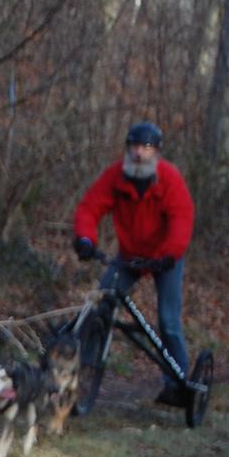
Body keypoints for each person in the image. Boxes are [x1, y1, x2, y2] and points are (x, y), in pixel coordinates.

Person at [72, 121, 195, 407]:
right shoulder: (116, 175)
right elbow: (89, 208)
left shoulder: (170, 179)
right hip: (129, 256)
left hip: (165, 257)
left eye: (146, 148)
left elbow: (182, 219)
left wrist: (169, 255)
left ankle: (176, 383)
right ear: (127, 148)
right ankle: (82, 370)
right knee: (99, 306)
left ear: (157, 152)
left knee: (168, 320)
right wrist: (85, 239)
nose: (139, 153)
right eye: (135, 147)